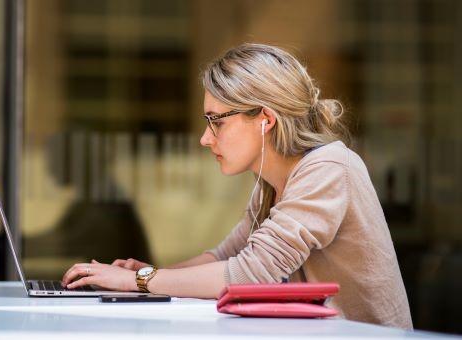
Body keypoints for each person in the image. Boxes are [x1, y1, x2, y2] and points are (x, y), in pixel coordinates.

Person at [61, 43, 412, 329]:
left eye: (216, 122)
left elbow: (251, 273)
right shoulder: (272, 181)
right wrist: (147, 274)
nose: (204, 138)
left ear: (265, 119)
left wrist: (141, 282)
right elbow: (226, 256)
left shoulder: (329, 168)